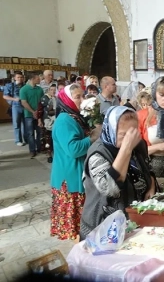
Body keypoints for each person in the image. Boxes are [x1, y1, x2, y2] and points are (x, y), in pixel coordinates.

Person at [80, 106, 157, 240]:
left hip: (134, 220)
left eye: (133, 132)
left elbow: (147, 168)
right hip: (104, 227)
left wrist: (151, 185)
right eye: (123, 134)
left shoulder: (139, 144)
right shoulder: (98, 153)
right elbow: (110, 189)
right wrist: (126, 147)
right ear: (110, 130)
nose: (130, 138)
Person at [50, 84, 102, 240]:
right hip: (70, 175)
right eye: (77, 97)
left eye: (82, 96)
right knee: (77, 226)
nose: (82, 100)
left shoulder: (75, 116)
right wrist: (93, 137)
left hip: (76, 171)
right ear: (66, 99)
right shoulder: (65, 120)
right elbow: (73, 149)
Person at [20, 74, 44, 158]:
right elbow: (24, 102)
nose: (39, 80)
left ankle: (39, 147)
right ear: (32, 79)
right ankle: (32, 150)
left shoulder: (40, 89)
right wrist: (33, 111)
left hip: (39, 114)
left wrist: (38, 112)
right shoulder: (24, 89)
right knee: (30, 133)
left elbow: (42, 102)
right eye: (38, 79)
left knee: (39, 132)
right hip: (28, 114)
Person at [3, 71, 25, 146]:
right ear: (14, 78)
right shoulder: (9, 86)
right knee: (16, 124)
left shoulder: (25, 86)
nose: (20, 79)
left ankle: (26, 139)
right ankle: (18, 140)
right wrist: (14, 99)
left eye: (21, 77)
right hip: (15, 106)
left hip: (25, 106)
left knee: (26, 123)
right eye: (18, 77)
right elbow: (5, 96)